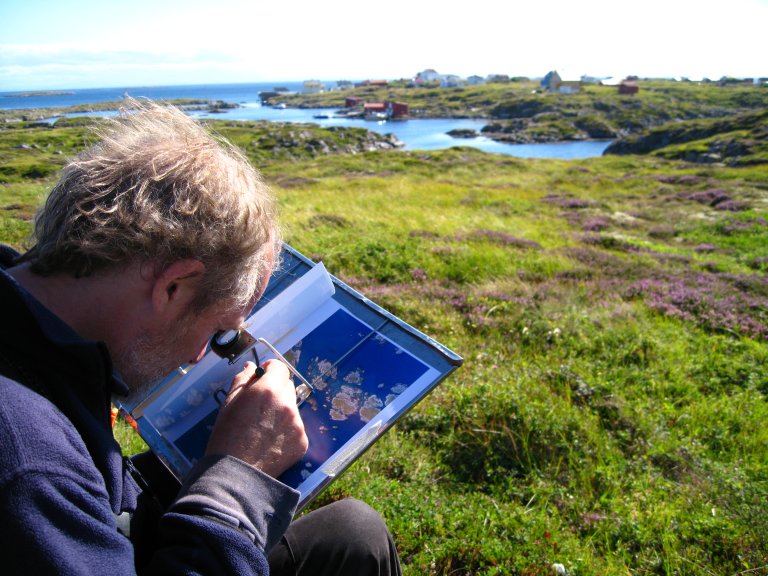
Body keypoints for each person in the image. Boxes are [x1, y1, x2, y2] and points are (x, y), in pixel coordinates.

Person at [0, 99, 401, 575]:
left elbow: (92, 502)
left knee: (353, 534)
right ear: (173, 286)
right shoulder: (30, 466)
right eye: (219, 331)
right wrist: (237, 479)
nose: (197, 357)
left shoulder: (37, 335)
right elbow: (59, 483)